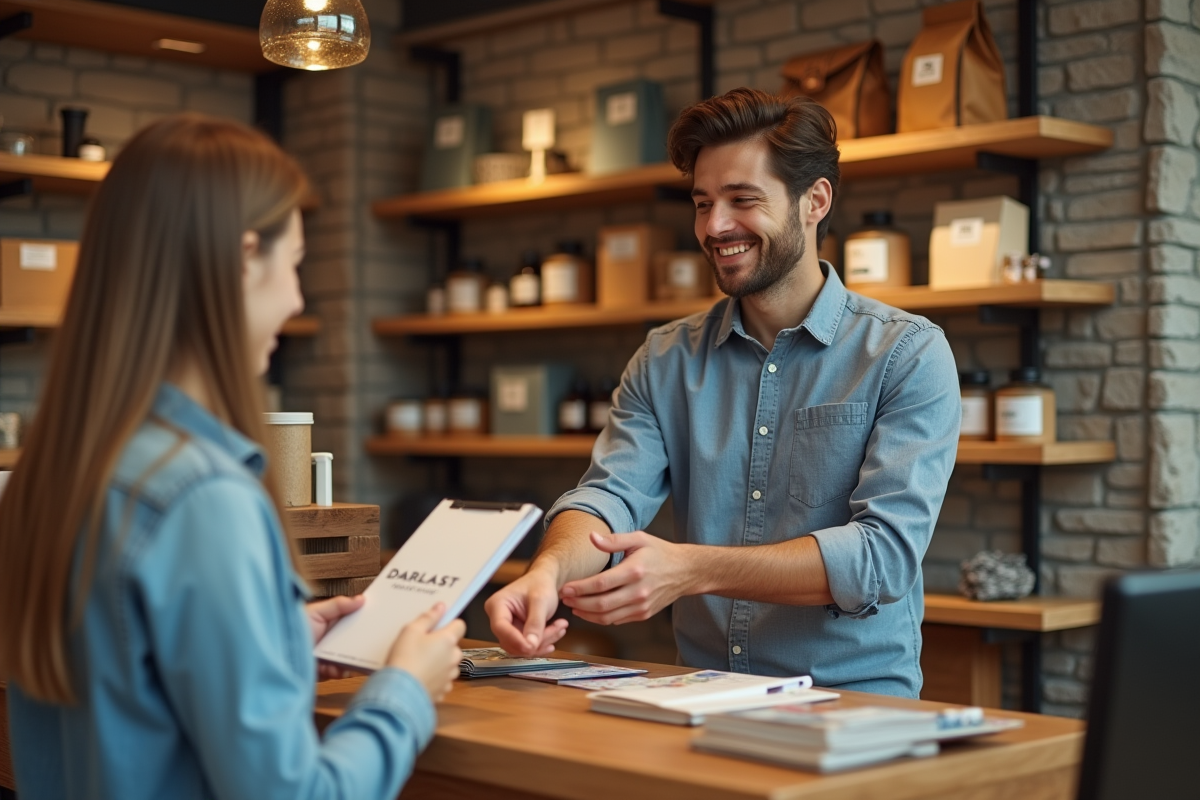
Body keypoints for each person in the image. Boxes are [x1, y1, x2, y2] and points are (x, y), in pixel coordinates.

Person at [0, 114, 465, 799]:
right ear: (244, 257)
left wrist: (269, 644)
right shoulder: (201, 498)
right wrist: (403, 694)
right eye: (296, 263)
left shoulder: (50, 472)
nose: (298, 298)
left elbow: (127, 686)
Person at [486, 88, 960, 697]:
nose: (714, 226)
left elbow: (881, 557)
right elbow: (609, 497)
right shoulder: (665, 359)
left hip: (851, 702)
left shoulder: (906, 354)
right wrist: (546, 573)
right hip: (703, 694)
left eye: (742, 200)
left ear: (814, 201)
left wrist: (691, 570)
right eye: (703, 203)